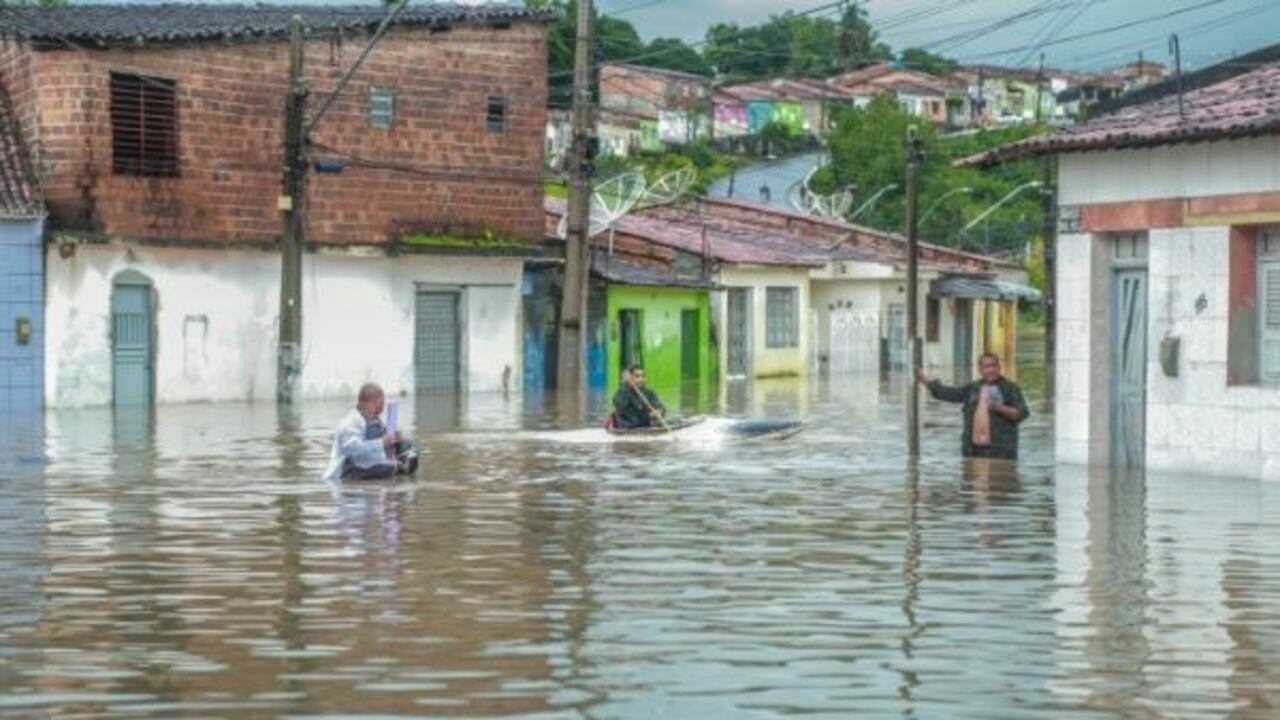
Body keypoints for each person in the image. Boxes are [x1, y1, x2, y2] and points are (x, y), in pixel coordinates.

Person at [915, 353, 1029, 460]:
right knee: (972, 480)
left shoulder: (1010, 388)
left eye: (994, 366)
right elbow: (949, 394)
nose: (991, 370)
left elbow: (1022, 414)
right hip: (972, 453)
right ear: (980, 370)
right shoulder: (973, 388)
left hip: (1000, 454)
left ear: (999, 367)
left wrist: (999, 408)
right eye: (986, 367)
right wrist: (923, 380)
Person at [323, 383, 419, 480]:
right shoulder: (350, 423)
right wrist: (382, 442)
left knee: (408, 450)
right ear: (375, 401)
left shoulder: (375, 421)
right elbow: (354, 452)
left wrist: (396, 441)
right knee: (395, 469)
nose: (383, 408)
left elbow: (384, 446)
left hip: (366, 470)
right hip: (343, 476)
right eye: (382, 403)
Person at [611, 364, 667, 430]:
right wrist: (626, 385)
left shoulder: (649, 393)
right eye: (637, 376)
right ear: (630, 377)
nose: (641, 379)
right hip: (628, 426)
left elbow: (661, 406)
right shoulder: (622, 392)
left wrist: (659, 411)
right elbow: (621, 406)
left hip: (645, 426)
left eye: (643, 376)